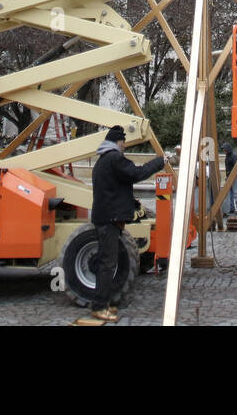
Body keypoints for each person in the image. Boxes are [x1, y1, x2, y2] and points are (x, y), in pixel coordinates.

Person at [86, 124, 167, 323]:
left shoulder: (103, 160)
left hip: (106, 218)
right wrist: (161, 162)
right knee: (107, 264)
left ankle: (105, 304)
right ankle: (99, 307)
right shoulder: (114, 158)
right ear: (117, 141)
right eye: (123, 142)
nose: (125, 146)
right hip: (109, 219)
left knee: (108, 262)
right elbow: (136, 173)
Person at [223, 141, 237, 216]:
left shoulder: (233, 156)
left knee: (236, 192)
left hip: (235, 176)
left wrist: (230, 176)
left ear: (228, 149)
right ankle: (232, 208)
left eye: (224, 150)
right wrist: (227, 176)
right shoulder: (229, 155)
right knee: (231, 193)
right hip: (231, 176)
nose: (224, 151)